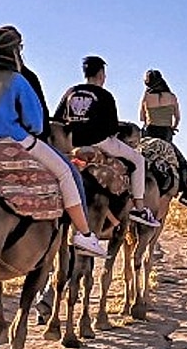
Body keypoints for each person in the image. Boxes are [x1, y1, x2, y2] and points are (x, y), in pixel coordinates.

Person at [0, 26, 107, 258]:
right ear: (14, 51)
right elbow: (36, 124)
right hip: (14, 141)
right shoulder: (17, 80)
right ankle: (84, 235)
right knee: (67, 173)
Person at [53, 56, 159, 227]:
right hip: (98, 141)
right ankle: (139, 208)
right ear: (101, 74)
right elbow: (111, 128)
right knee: (139, 160)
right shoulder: (105, 95)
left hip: (71, 142)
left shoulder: (71, 91)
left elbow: (58, 119)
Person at [139, 69, 187, 209]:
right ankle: (186, 194)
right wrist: (173, 127)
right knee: (182, 163)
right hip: (165, 135)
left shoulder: (146, 97)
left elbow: (141, 117)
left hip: (148, 133)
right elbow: (177, 118)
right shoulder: (172, 97)